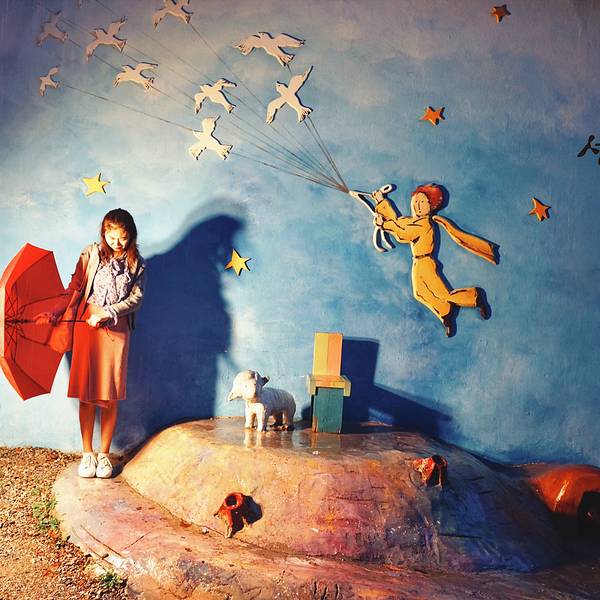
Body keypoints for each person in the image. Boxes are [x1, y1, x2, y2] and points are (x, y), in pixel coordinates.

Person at [36, 209, 146, 478]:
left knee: (110, 394)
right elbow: (74, 289)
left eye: (122, 237)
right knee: (87, 392)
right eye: (111, 236)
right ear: (104, 233)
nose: (116, 242)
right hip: (87, 326)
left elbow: (136, 299)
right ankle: (87, 454)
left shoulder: (138, 263)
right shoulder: (90, 254)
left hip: (116, 329)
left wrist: (109, 312)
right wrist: (54, 312)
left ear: (130, 235)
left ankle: (104, 456)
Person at [374, 184, 498, 336]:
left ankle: (475, 297)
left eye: (422, 202)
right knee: (420, 293)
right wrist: (381, 201)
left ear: (431, 206)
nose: (417, 205)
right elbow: (398, 222)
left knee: (442, 294)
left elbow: (403, 234)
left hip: (426, 262)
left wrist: (384, 225)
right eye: (415, 201)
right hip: (418, 262)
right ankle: (446, 313)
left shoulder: (424, 224)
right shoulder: (412, 220)